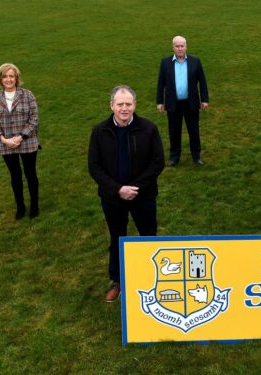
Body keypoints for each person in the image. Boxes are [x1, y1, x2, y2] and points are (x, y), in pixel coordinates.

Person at [88, 85, 165, 302]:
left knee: (148, 237)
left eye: (128, 104)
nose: (124, 108)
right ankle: (118, 281)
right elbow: (94, 166)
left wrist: (135, 188)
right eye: (120, 104)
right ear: (111, 105)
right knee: (117, 237)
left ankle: (152, 279)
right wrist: (117, 189)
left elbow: (157, 162)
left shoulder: (149, 128)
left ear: (135, 105)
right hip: (112, 197)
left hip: (144, 196)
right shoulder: (99, 131)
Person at [0, 63, 41, 220]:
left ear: (17, 78)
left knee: (30, 174)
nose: (8, 79)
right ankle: (20, 207)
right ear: (1, 79)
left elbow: (34, 119)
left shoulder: (28, 95)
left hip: (27, 142)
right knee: (15, 175)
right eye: (5, 76)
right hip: (6, 145)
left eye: (11, 76)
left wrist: (20, 137)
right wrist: (3, 139)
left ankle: (34, 205)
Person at [156, 35, 209, 166]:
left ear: (186, 47)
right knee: (174, 131)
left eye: (182, 46)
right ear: (173, 47)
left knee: (194, 131)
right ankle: (174, 157)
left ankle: (196, 157)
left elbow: (202, 82)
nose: (180, 48)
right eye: (177, 46)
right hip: (173, 104)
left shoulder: (195, 61)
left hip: (190, 103)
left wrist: (204, 100)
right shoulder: (166, 62)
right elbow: (160, 83)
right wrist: (160, 102)